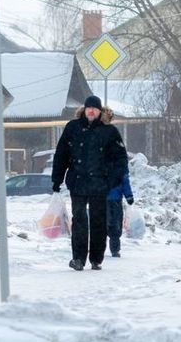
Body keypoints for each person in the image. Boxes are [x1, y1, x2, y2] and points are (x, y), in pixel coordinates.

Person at [51, 96, 128, 271]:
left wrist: (115, 178)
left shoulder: (109, 132)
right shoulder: (73, 128)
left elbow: (121, 158)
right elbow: (61, 154)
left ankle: (96, 258)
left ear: (100, 111)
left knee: (98, 221)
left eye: (95, 108)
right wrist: (57, 179)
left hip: (100, 184)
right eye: (88, 108)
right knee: (79, 220)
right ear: (84, 110)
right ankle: (78, 258)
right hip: (78, 182)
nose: (91, 111)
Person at [100, 107, 134, 258]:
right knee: (114, 225)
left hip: (100, 194)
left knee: (100, 223)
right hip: (112, 196)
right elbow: (124, 177)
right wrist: (128, 195)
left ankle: (102, 249)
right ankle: (114, 249)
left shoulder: (97, 137)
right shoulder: (115, 142)